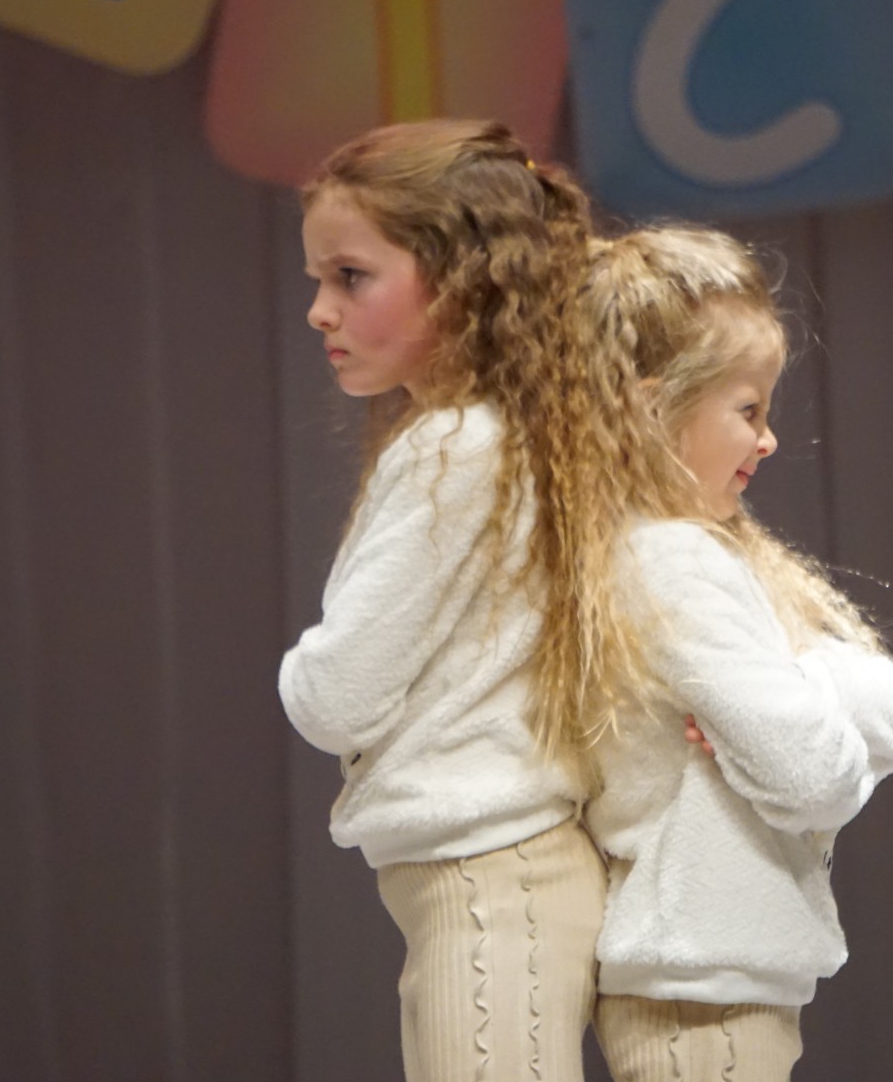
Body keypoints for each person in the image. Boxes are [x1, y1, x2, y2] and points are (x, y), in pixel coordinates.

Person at [279, 119, 637, 1082]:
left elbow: (334, 696)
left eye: (350, 277)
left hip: (489, 880)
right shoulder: (510, 435)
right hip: (498, 880)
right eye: (318, 279)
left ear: (462, 277)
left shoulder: (456, 446)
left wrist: (303, 668)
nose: (319, 310)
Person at [577, 225, 893, 1082]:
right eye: (748, 411)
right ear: (652, 409)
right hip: (703, 987)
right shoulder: (674, 561)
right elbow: (813, 777)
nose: (767, 440)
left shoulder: (688, 553)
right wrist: (817, 704)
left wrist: (804, 688)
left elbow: (887, 713)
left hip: (711, 978)